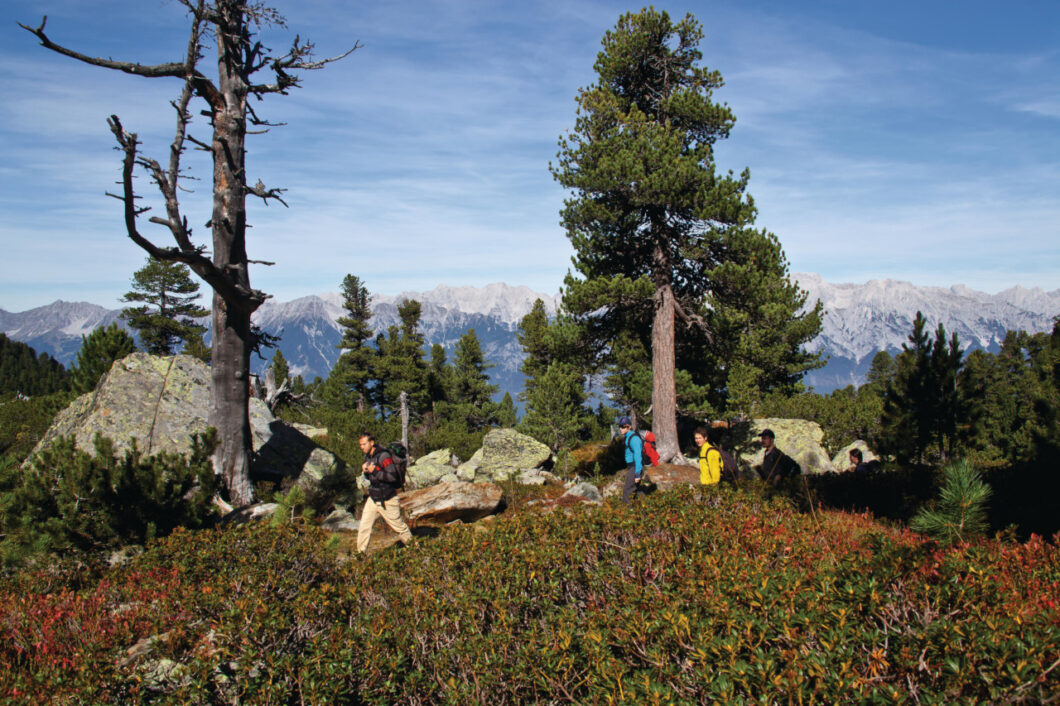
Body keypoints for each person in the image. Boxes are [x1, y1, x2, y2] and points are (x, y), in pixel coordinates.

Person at [356, 432, 413, 553]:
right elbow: (371, 478)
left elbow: (392, 477)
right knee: (364, 527)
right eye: (360, 445)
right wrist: (366, 471)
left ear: (371, 443)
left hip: (387, 499)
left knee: (399, 528)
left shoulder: (384, 456)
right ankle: (360, 556)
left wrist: (375, 470)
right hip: (374, 497)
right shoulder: (368, 456)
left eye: (364, 444)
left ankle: (414, 549)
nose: (362, 447)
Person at [617, 416, 645, 504]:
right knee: (634, 490)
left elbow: (638, 456)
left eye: (623, 427)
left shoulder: (634, 439)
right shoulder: (628, 437)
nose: (621, 429)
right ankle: (641, 507)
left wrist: (637, 474)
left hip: (634, 467)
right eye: (620, 426)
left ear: (629, 427)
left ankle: (626, 513)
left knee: (627, 492)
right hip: (631, 467)